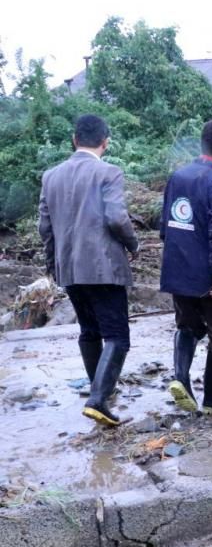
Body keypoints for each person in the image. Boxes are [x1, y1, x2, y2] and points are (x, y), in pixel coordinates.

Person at [38, 114, 139, 426]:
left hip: (68, 268)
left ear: (74, 139)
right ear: (105, 142)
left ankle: (99, 391)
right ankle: (98, 398)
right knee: (117, 336)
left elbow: (45, 227)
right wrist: (133, 245)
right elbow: (117, 219)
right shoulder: (108, 172)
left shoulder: (50, 176)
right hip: (103, 267)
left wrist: (53, 264)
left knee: (89, 331)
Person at [160, 119, 212, 413]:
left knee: (187, 326)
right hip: (207, 275)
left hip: (178, 269)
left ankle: (181, 377)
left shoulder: (178, 176)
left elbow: (165, 226)